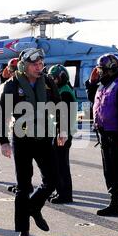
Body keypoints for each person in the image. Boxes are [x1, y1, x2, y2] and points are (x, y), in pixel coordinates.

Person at [0, 47, 61, 236]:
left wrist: (62, 130)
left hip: (43, 137)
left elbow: (58, 105)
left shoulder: (47, 82)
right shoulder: (11, 86)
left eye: (41, 64)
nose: (39, 67)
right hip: (21, 140)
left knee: (53, 180)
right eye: (35, 64)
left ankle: (33, 207)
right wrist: (3, 141)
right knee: (23, 187)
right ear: (24, 66)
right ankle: (23, 230)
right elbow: (1, 115)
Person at [85, 53, 118, 218]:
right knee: (109, 170)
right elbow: (92, 99)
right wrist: (92, 82)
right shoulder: (104, 84)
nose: (98, 72)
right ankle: (114, 202)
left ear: (110, 69)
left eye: (100, 69)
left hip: (117, 135)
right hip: (104, 133)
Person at [47, 64, 77, 204]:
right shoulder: (60, 90)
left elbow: (64, 115)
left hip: (62, 133)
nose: (53, 81)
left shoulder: (64, 93)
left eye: (55, 78)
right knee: (57, 164)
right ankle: (60, 191)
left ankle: (65, 194)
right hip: (59, 131)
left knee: (61, 165)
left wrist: (61, 133)